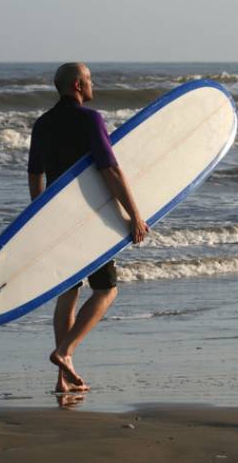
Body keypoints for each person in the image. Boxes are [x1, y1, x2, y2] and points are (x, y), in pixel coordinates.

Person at [27, 63, 148, 393]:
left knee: (68, 292)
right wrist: (134, 215)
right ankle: (65, 352)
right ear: (78, 85)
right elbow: (110, 170)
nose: (94, 84)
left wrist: (38, 218)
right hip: (90, 220)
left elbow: (34, 174)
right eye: (90, 79)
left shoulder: (43, 124)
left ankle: (63, 378)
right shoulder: (90, 119)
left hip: (56, 219)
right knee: (107, 290)